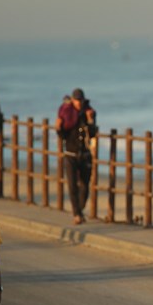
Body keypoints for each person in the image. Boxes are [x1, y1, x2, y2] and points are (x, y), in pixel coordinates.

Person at [55, 88, 97, 225]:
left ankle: (79, 209)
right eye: (76, 100)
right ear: (72, 100)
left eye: (80, 100)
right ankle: (77, 214)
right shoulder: (66, 113)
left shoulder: (89, 112)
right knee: (72, 185)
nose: (78, 103)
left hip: (85, 154)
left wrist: (90, 120)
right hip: (70, 154)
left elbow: (92, 134)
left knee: (85, 185)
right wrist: (59, 128)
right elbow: (62, 136)